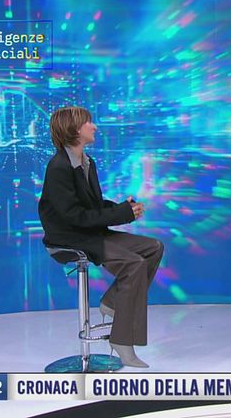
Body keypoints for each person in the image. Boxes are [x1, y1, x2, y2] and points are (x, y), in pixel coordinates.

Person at [38, 106, 164, 367]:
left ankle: (112, 301)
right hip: (70, 238)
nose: (94, 126)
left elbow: (92, 206)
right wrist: (121, 214)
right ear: (74, 129)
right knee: (134, 263)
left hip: (89, 232)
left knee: (153, 247)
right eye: (89, 123)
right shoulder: (58, 167)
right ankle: (122, 340)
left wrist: (123, 208)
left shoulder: (87, 162)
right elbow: (74, 216)